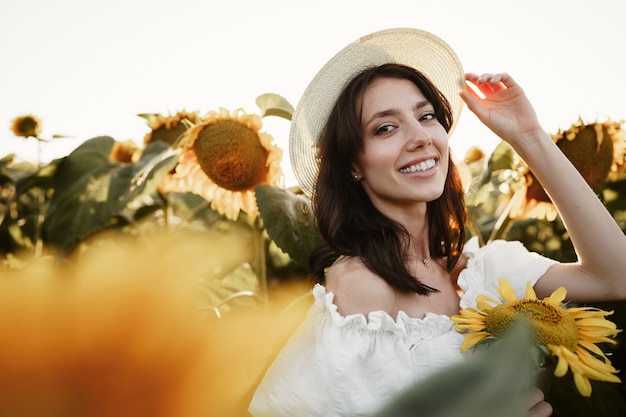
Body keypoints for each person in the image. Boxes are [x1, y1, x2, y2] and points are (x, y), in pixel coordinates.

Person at [248, 28, 626, 417]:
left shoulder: (483, 270)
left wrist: (528, 136)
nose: (420, 137)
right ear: (352, 166)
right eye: (385, 128)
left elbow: (615, 277)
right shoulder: (364, 289)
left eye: (427, 116)